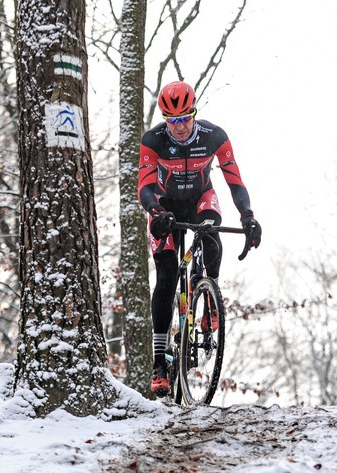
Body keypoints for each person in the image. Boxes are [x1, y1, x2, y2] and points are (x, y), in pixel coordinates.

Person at [137, 80, 262, 395]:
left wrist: (247, 217)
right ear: (166, 119)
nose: (179, 127)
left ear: (194, 112)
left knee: (211, 237)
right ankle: (160, 364)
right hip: (164, 207)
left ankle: (209, 303)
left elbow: (235, 182)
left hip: (201, 200)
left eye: (185, 118)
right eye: (173, 121)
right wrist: (155, 210)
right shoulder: (153, 141)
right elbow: (145, 187)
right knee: (166, 277)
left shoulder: (214, 137)